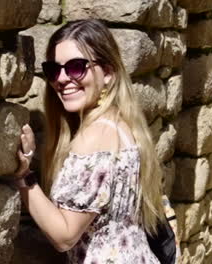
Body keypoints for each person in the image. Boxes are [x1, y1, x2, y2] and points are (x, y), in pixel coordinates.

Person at [12, 19, 167, 263]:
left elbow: (64, 236)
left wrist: (24, 177)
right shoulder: (120, 123)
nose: (62, 79)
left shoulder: (95, 136)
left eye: (76, 67)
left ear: (107, 72)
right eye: (54, 70)